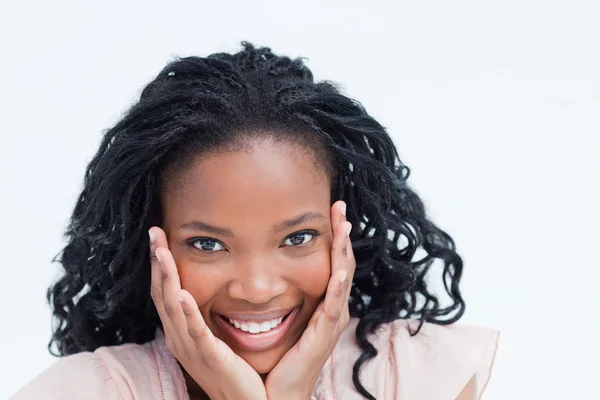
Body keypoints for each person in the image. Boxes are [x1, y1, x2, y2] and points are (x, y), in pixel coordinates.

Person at [11, 42, 499, 400]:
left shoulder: (416, 379)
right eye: (207, 244)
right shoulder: (84, 392)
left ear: (342, 235)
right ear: (150, 245)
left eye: (298, 237)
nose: (258, 288)